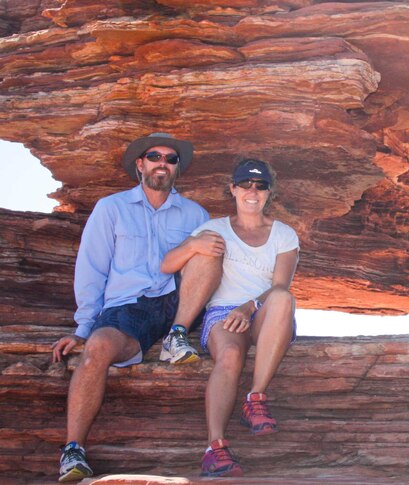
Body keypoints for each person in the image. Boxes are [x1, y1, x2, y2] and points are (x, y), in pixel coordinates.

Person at [50, 133, 210, 482]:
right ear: (140, 164)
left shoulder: (195, 213)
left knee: (207, 244)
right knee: (98, 347)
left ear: (176, 168)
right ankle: (73, 451)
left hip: (178, 306)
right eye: (155, 156)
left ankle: (177, 338)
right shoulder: (112, 208)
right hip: (128, 308)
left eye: (171, 159)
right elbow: (92, 269)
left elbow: (209, 270)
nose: (162, 164)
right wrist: (83, 328)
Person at [161, 159, 299, 477]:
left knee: (283, 298)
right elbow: (167, 265)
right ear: (233, 188)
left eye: (260, 185)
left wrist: (249, 307)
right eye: (246, 185)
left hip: (263, 312)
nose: (253, 191)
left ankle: (255, 397)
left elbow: (280, 285)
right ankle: (215, 448)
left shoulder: (284, 235)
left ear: (269, 192)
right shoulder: (215, 228)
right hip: (223, 312)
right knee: (230, 354)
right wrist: (194, 244)